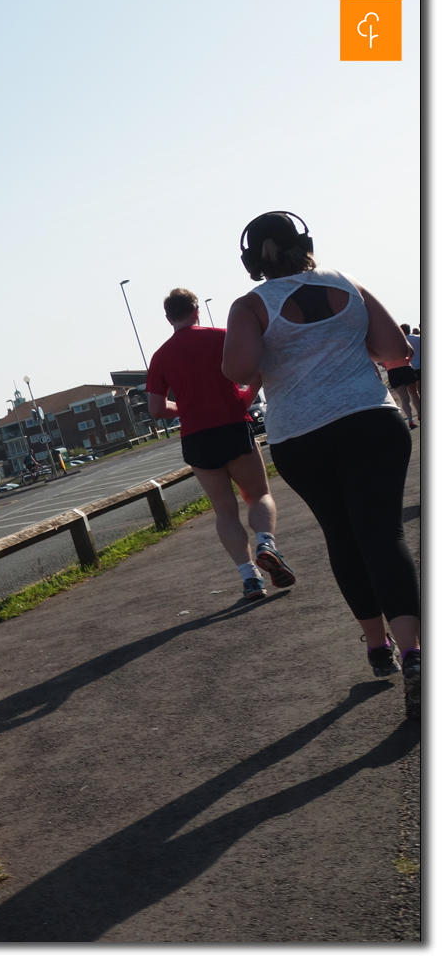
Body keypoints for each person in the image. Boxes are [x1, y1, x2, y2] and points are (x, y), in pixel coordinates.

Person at [222, 211, 420, 718]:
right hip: (373, 423)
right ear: (305, 242)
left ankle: (378, 648)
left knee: (343, 535)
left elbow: (239, 370)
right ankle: (415, 654)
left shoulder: (250, 305)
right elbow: (396, 351)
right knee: (383, 534)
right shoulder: (347, 284)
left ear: (250, 260)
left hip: (303, 438)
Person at [146, 288, 295, 599]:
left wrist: (183, 409)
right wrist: (247, 394)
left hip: (197, 437)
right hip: (232, 425)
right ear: (196, 310)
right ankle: (266, 544)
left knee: (224, 510)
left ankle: (250, 579)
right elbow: (258, 367)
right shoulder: (222, 337)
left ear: (168, 318)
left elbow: (157, 409)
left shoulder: (160, 356)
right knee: (258, 495)